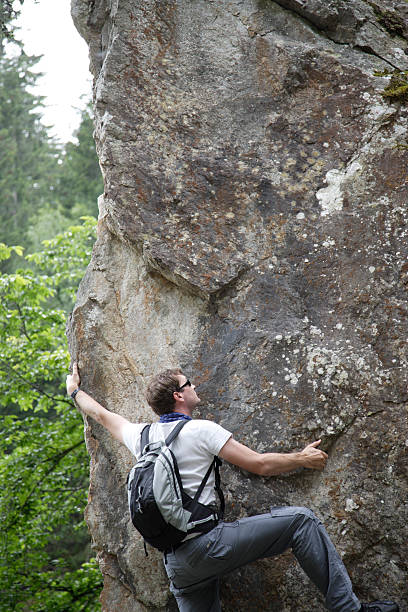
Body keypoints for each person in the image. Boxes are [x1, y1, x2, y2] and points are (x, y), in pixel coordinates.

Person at [66, 363, 399, 612]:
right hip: (209, 546)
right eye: (188, 383)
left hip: (177, 565)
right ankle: (349, 609)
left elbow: (101, 414)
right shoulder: (200, 431)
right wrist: (302, 458)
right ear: (179, 395)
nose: (194, 385)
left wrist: (73, 391)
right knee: (301, 521)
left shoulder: (141, 436)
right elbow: (260, 464)